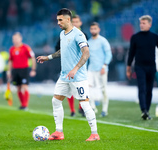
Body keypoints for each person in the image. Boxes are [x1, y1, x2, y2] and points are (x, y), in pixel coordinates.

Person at [37, 8, 99, 141]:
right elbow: (62, 51)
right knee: (56, 101)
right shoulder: (62, 34)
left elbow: (86, 53)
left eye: (60, 20)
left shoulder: (78, 34)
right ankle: (59, 132)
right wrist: (47, 57)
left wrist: (75, 68)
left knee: (84, 104)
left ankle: (95, 134)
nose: (58, 22)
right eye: (57, 20)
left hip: (78, 77)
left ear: (68, 19)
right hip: (64, 76)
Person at [126, 15, 158, 120]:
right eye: (140, 23)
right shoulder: (135, 37)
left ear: (150, 24)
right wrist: (128, 68)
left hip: (151, 67)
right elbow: (131, 54)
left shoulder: (155, 37)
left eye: (144, 23)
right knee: (142, 88)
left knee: (149, 90)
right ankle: (143, 110)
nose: (141, 25)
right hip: (139, 66)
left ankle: (146, 111)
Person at [55, 15, 88, 117]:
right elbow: (58, 48)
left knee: (82, 92)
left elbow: (86, 52)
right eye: (74, 22)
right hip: (68, 68)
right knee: (69, 90)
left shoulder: (82, 35)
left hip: (81, 69)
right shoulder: (63, 34)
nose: (75, 24)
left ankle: (81, 108)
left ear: (80, 23)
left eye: (77, 22)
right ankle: (73, 110)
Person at [87, 22, 112, 117]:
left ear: (98, 29)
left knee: (103, 89)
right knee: (88, 88)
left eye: (95, 28)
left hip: (102, 69)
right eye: (92, 29)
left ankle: (105, 109)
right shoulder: (88, 42)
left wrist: (104, 66)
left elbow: (109, 54)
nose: (93, 30)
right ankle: (92, 106)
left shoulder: (103, 41)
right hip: (91, 69)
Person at [7, 32, 36, 110]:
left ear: (20, 39)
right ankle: (22, 105)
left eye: (16, 38)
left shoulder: (26, 48)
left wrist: (33, 69)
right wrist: (8, 71)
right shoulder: (11, 49)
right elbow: (10, 61)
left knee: (25, 86)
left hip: (24, 70)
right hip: (15, 70)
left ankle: (25, 105)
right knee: (18, 87)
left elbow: (33, 58)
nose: (15, 40)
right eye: (14, 39)